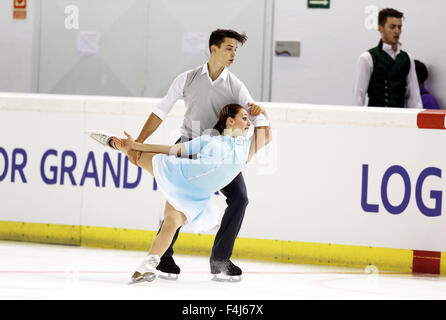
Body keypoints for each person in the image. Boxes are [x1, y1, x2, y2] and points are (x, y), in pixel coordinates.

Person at [130, 29, 269, 280]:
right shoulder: (188, 78)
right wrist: (139, 143)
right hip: (189, 143)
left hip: (219, 153)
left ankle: (220, 259)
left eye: (236, 50)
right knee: (175, 197)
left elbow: (255, 118)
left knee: (240, 198)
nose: (233, 54)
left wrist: (260, 113)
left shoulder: (236, 86)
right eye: (229, 48)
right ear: (213, 49)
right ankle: (164, 258)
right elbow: (161, 111)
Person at [108, 104, 271, 282]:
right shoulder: (209, 140)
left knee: (171, 222)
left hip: (195, 196)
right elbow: (172, 150)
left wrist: (262, 112)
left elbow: (266, 135)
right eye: (244, 118)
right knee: (137, 157)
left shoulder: (246, 150)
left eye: (249, 119)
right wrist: (136, 145)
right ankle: (123, 147)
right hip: (177, 173)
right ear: (230, 121)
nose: (249, 123)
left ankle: (148, 264)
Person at [353, 8, 422, 108]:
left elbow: (414, 98)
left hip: (400, 118)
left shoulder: (407, 58)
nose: (397, 31)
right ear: (380, 28)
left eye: (399, 27)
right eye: (392, 27)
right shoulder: (367, 58)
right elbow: (358, 96)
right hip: (375, 118)